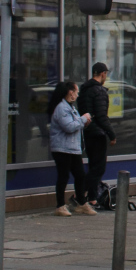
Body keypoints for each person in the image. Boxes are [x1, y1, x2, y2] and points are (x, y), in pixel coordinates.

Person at [47, 81, 95, 217]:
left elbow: (74, 125)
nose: (78, 94)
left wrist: (83, 123)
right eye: (76, 91)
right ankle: (60, 206)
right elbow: (68, 127)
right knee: (63, 176)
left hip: (73, 148)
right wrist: (83, 119)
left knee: (80, 176)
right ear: (70, 92)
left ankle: (81, 203)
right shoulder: (62, 108)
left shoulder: (71, 108)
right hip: (62, 148)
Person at [78, 62, 116, 208]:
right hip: (97, 133)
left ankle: (92, 198)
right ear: (102, 74)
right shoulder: (99, 91)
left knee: (93, 165)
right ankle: (79, 193)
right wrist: (111, 134)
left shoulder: (84, 90)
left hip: (87, 132)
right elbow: (101, 116)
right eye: (106, 74)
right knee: (99, 168)